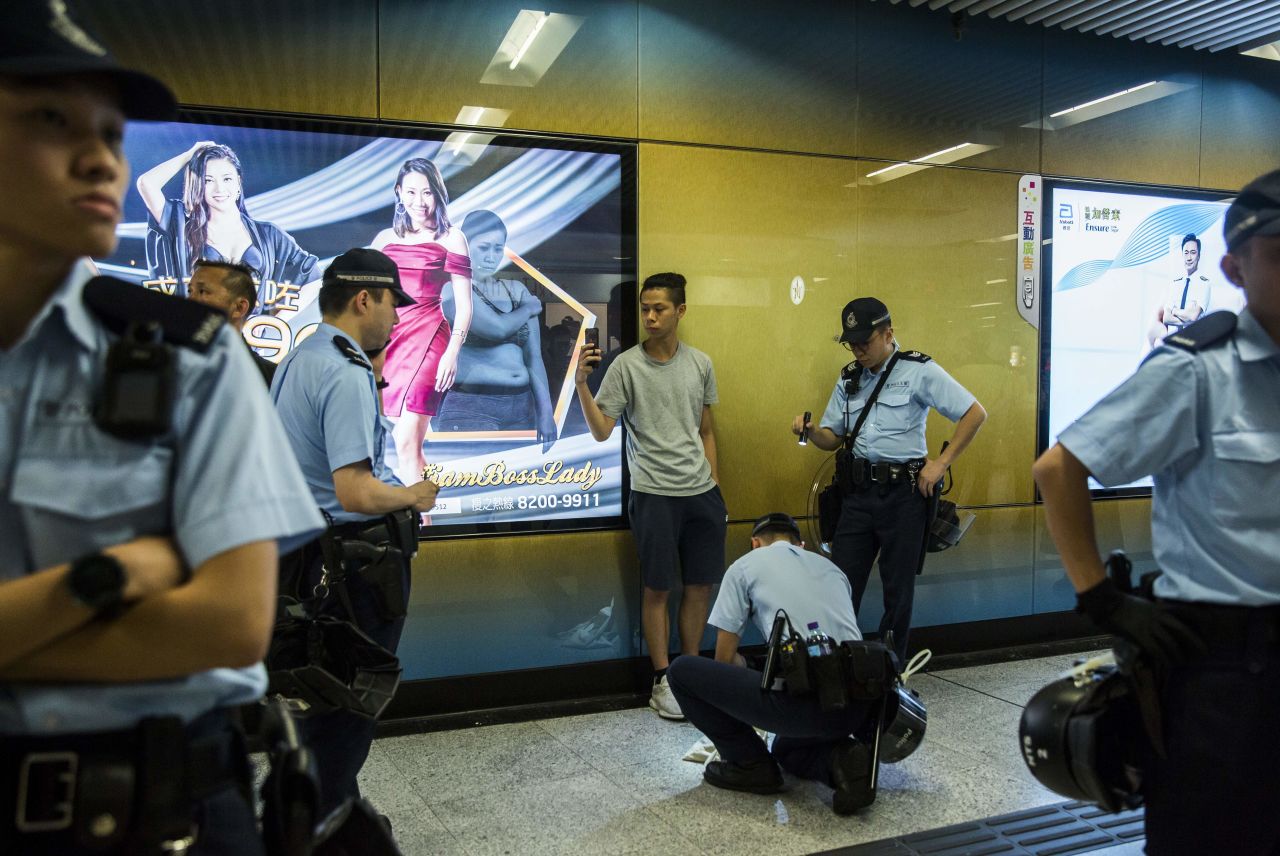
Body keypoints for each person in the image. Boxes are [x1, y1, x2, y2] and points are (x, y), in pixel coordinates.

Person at [0, 3, 324, 853]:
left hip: (166, 810)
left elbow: (227, 624)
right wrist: (106, 577)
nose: (100, 154)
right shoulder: (174, 220)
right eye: (50, 118)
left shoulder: (193, 360)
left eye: (112, 130)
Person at [1033, 169, 1280, 856]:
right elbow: (1059, 468)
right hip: (1223, 666)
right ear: (1234, 268)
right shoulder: (1199, 370)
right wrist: (1101, 600)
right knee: (1211, 835)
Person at [269, 247, 440, 817]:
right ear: (364, 298)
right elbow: (356, 491)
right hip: (353, 567)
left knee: (320, 706)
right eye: (393, 304)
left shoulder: (304, 356)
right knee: (348, 710)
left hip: (310, 560)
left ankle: (326, 811)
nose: (397, 318)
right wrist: (414, 495)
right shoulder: (343, 372)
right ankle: (324, 822)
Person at [792, 297, 985, 662]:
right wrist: (813, 431)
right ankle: (838, 665)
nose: (858, 349)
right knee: (840, 584)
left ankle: (889, 671)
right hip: (858, 496)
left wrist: (941, 463)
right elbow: (833, 436)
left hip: (903, 497)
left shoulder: (918, 370)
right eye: (852, 342)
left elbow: (975, 413)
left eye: (865, 341)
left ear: (888, 334)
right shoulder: (849, 376)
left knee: (898, 592)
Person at [576, 272, 726, 721]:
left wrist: (715, 485)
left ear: (680, 311)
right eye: (645, 308)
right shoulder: (626, 366)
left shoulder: (700, 363)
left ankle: (691, 671)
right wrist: (582, 383)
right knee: (658, 587)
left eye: (659, 308)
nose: (650, 316)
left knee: (700, 586)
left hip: (700, 493)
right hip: (654, 493)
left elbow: (705, 430)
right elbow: (603, 430)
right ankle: (663, 680)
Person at [666, 513, 879, 815]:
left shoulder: (744, 566)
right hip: (859, 707)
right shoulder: (833, 570)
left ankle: (748, 763)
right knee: (785, 749)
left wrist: (746, 666)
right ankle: (841, 761)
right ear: (801, 544)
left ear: (755, 543)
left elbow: (724, 662)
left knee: (682, 672)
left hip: (805, 704)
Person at [371, 157, 473, 485]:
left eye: (427, 193)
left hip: (431, 338)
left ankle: (416, 525)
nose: (419, 202)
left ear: (438, 194)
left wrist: (452, 353)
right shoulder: (384, 239)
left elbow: (464, 305)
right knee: (409, 446)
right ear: (398, 192)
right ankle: (423, 521)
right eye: (411, 192)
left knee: (405, 440)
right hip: (391, 342)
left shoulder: (452, 238)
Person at [136, 139, 319, 311]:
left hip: (250, 342)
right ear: (198, 185)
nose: (219, 189)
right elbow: (146, 183)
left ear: (238, 182)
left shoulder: (268, 234)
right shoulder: (179, 222)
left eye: (227, 179)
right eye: (208, 180)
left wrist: (276, 325)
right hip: (196, 335)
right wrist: (189, 155)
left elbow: (313, 278)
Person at [437, 209, 556, 450]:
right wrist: (528, 309)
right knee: (475, 486)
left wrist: (546, 412)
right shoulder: (452, 290)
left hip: (522, 405)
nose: (492, 256)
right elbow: (497, 329)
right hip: (471, 406)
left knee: (517, 485)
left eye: (498, 248)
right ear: (465, 247)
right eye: (483, 248)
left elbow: (534, 358)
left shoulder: (516, 290)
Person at [187, 258, 276, 384]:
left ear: (239, 308)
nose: (190, 299)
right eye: (190, 291)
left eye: (203, 291)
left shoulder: (271, 377)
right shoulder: (170, 363)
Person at [1147, 232, 1211, 347]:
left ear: (1199, 255)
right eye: (1186, 253)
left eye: (1193, 252)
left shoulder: (1204, 284)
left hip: (1193, 342)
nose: (1189, 257)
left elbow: (1193, 316)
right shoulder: (1175, 284)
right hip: (1172, 342)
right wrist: (1186, 314)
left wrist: (1175, 311)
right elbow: (1166, 318)